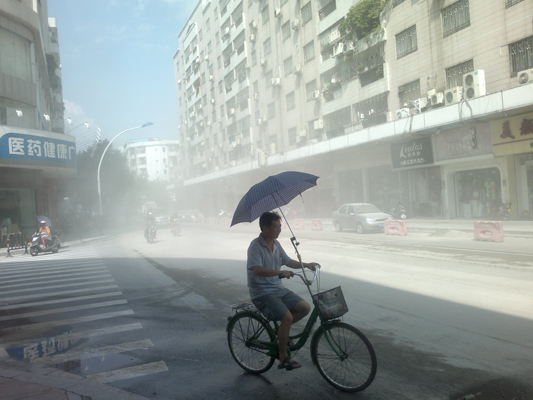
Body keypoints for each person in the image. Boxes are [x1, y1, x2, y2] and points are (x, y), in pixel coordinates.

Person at [247, 211, 319, 371]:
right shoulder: (255, 246)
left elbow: (287, 261)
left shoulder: (276, 244)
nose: (279, 230)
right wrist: (279, 273)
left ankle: (280, 332)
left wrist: (306, 265)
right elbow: (257, 270)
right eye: (275, 227)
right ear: (265, 228)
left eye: (280, 226)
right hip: (262, 293)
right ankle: (283, 357)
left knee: (305, 308)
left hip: (278, 288)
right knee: (287, 317)